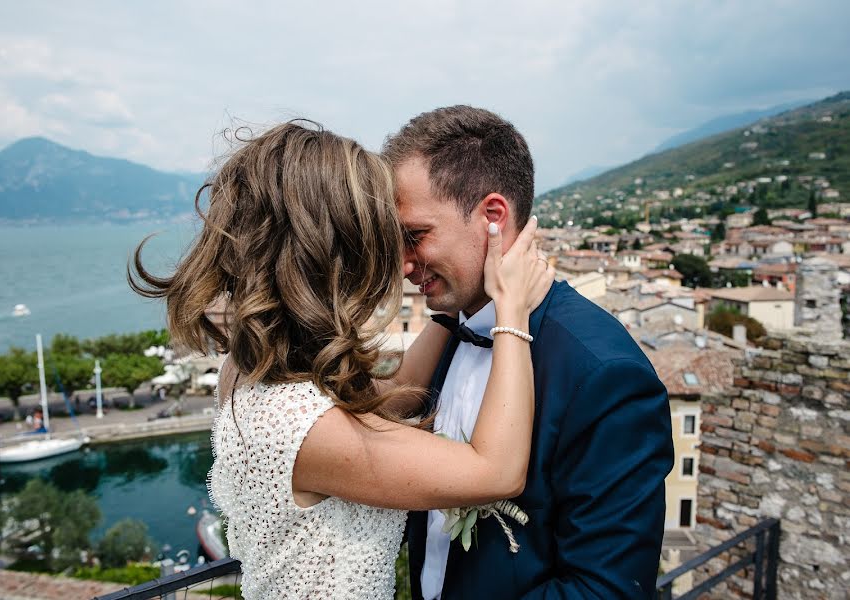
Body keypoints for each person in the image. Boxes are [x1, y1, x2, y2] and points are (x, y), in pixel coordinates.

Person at [129, 120, 554, 599]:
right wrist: (511, 310)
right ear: (335, 250)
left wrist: (462, 295)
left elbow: (391, 399)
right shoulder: (301, 428)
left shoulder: (251, 372)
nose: (401, 257)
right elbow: (495, 472)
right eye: (383, 233)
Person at [383, 105, 675, 599]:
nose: (405, 264)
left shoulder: (605, 373)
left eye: (415, 236)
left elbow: (604, 590)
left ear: (493, 218)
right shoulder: (446, 335)